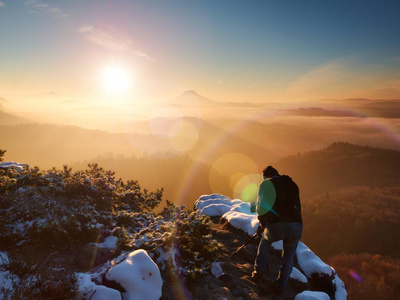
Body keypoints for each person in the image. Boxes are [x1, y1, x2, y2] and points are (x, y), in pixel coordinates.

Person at [250, 166, 302, 295]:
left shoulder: (266, 183)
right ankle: (281, 285)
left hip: (276, 224)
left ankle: (258, 271)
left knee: (265, 242)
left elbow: (261, 207)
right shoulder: (292, 184)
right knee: (289, 256)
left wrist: (262, 223)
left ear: (265, 176)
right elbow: (298, 207)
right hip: (296, 224)